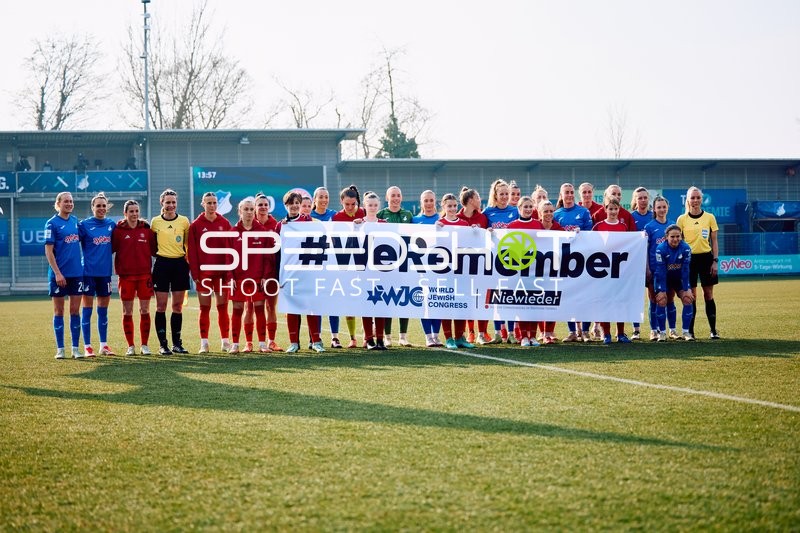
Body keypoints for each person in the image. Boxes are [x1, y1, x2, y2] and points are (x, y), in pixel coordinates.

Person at [277, 191, 324, 353]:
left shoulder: (309, 221)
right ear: (286, 206)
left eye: (297, 203)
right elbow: (277, 253)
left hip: (308, 272)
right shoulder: (280, 226)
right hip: (289, 274)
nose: (294, 206)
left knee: (311, 306)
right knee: (291, 308)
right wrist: (279, 275)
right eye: (291, 203)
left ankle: (316, 341)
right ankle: (294, 343)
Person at [188, 192, 233, 354]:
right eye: (209, 203)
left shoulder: (225, 223)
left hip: (222, 274)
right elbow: (192, 252)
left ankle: (225, 342)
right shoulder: (195, 225)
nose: (212, 205)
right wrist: (195, 274)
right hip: (204, 275)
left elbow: (231, 249)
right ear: (203, 204)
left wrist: (229, 273)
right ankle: (204, 343)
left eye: (214, 202)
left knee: (222, 308)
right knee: (204, 308)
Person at [229, 198, 273, 354]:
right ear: (240, 211)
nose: (248, 212)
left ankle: (262, 344)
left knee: (260, 309)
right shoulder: (233, 232)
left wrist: (265, 276)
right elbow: (228, 257)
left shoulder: (262, 231)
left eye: (251, 209)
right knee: (237, 310)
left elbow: (267, 257)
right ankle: (235, 344)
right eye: (245, 209)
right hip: (238, 279)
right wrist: (230, 277)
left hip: (257, 278)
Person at [112, 200, 156, 355]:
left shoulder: (146, 230)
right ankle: (130, 346)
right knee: (127, 311)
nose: (134, 214)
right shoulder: (118, 231)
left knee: (145, 310)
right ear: (125, 213)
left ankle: (144, 345)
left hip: (144, 276)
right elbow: (110, 249)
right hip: (126, 277)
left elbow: (155, 251)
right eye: (131, 211)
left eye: (137, 211)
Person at [150, 189, 191, 355]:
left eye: (173, 202)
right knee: (161, 306)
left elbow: (187, 244)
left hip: (179, 265)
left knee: (177, 306)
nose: (171, 205)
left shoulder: (184, 221)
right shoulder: (155, 222)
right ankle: (163, 345)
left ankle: (176, 344)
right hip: (162, 264)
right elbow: (152, 245)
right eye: (168, 202)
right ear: (162, 203)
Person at [676, 186, 720, 340]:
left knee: (708, 294)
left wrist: (715, 261)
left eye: (698, 197)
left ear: (702, 199)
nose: (695, 200)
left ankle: (713, 330)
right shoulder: (682, 219)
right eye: (692, 198)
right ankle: (690, 332)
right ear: (688, 200)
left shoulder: (710, 217)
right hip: (689, 261)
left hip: (706, 259)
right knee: (691, 296)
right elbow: (678, 242)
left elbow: (714, 241)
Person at [45, 192, 84, 359]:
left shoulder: (75, 221)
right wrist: (57, 273)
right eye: (66, 201)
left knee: (75, 311)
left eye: (71, 201)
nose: (69, 204)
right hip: (59, 276)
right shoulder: (51, 223)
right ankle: (60, 349)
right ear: (58, 204)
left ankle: (75, 349)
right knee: (59, 311)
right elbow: (48, 252)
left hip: (76, 274)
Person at [78, 192, 117, 357]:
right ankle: (87, 347)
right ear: (92, 207)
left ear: (107, 207)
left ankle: (103, 345)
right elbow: (71, 244)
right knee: (87, 310)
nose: (101, 208)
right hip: (88, 273)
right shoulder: (84, 225)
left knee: (103, 311)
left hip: (105, 274)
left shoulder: (111, 225)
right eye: (98, 205)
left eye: (103, 206)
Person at [553, 182, 593, 342]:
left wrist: (581, 233)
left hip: (583, 260)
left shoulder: (583, 212)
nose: (569, 195)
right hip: (564, 260)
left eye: (571, 192)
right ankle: (572, 332)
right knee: (567, 295)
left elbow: (591, 234)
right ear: (561, 195)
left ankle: (585, 331)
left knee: (585, 295)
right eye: (566, 192)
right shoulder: (556, 214)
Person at [436, 193, 475, 350]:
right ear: (443, 207)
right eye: (449, 206)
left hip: (462, 270)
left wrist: (475, 232)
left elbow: (471, 244)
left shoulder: (464, 224)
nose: (452, 209)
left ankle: (460, 337)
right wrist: (436, 230)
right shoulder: (440, 224)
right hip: (445, 271)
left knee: (461, 303)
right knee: (447, 302)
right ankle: (448, 338)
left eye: (454, 206)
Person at [377, 185, 414, 346]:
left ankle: (403, 336)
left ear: (401, 197)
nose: (396, 198)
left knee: (404, 297)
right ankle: (387, 336)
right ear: (387, 198)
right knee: (387, 298)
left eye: (398, 195)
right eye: (393, 195)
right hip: (386, 264)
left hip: (404, 262)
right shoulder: (381, 214)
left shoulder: (408, 215)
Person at [483, 178, 519, 343]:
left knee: (510, 296)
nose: (504, 197)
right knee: (495, 297)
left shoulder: (515, 211)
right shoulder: (488, 212)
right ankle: (498, 333)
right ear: (495, 195)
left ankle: (511, 333)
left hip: (512, 260)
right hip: (494, 261)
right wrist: (487, 231)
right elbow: (479, 232)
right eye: (501, 194)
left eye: (507, 194)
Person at [593, 198, 632, 344]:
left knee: (620, 300)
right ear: (605, 209)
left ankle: (620, 333)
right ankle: (607, 334)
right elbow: (588, 242)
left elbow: (630, 245)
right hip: (602, 270)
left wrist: (641, 238)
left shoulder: (623, 226)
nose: (613, 212)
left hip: (619, 270)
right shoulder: (598, 226)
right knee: (605, 301)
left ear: (619, 210)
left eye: (615, 209)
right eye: (610, 209)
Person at [457, 186, 492, 345]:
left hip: (481, 264)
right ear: (471, 200)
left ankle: (482, 333)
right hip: (462, 266)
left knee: (482, 298)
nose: (480, 200)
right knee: (467, 298)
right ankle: (470, 332)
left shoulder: (483, 218)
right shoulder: (457, 218)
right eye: (477, 197)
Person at [332, 185, 366, 348]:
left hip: (364, 263)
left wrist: (365, 223)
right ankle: (353, 338)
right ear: (341, 202)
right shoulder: (337, 218)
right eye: (347, 204)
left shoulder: (364, 213)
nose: (351, 207)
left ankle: (367, 336)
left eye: (353, 204)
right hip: (345, 264)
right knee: (349, 300)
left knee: (366, 299)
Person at [354, 192, 389, 350]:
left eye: (375, 205)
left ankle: (380, 339)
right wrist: (355, 227)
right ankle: (369, 339)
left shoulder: (384, 224)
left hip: (380, 271)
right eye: (370, 205)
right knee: (366, 304)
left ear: (379, 206)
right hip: (364, 271)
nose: (373, 208)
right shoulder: (359, 223)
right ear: (364, 206)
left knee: (380, 304)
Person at [507, 196, 543, 347]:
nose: (528, 210)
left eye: (530, 207)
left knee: (533, 303)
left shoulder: (538, 224)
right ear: (519, 208)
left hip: (535, 270)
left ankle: (533, 336)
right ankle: (523, 337)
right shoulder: (512, 226)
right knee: (521, 303)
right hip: (518, 271)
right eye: (525, 207)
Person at [309, 186, 341, 348]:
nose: (324, 200)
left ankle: (335, 337)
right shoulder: (308, 217)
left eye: (326, 197)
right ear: (314, 199)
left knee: (333, 300)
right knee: (317, 302)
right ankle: (316, 337)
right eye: (320, 197)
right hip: (315, 264)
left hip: (332, 263)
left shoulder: (334, 215)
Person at [654, 225, 695, 342]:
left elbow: (685, 269)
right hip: (663, 278)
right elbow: (661, 271)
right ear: (666, 237)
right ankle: (662, 333)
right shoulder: (660, 249)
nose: (675, 239)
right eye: (672, 237)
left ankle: (686, 332)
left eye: (678, 236)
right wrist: (662, 290)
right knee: (662, 300)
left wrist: (687, 288)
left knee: (688, 299)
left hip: (678, 279)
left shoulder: (686, 248)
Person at [251, 192, 281, 351]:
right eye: (260, 205)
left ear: (269, 207)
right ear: (255, 207)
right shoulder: (249, 224)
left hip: (271, 274)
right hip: (253, 274)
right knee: (251, 308)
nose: (263, 207)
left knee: (270, 307)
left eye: (265, 205)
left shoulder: (275, 225)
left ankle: (271, 341)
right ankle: (250, 342)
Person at [644, 196, 677, 341]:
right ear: (654, 209)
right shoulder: (649, 227)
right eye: (659, 207)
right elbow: (645, 250)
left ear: (667, 208)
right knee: (654, 299)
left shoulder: (673, 225)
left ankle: (672, 330)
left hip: (670, 269)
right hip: (654, 270)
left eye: (664, 207)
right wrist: (647, 268)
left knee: (669, 299)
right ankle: (654, 330)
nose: (662, 210)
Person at [413, 190, 443, 347]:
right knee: (424, 301)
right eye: (426, 200)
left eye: (431, 200)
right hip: (421, 268)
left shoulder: (442, 219)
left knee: (437, 300)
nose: (429, 203)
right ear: (421, 202)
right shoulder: (415, 220)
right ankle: (428, 336)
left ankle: (436, 335)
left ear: (435, 201)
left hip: (439, 267)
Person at [537, 200, 563, 344]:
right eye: (545, 211)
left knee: (552, 300)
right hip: (537, 270)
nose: (548, 214)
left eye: (551, 211)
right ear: (540, 213)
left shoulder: (559, 229)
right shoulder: (535, 227)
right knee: (539, 301)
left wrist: (576, 234)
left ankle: (549, 332)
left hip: (554, 270)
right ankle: (542, 332)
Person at [629, 186, 652, 340]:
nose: (643, 200)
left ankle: (654, 329)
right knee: (635, 297)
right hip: (634, 262)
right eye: (640, 198)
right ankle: (636, 330)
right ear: (635, 200)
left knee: (653, 297)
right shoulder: (631, 217)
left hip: (652, 262)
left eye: (645, 197)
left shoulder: (653, 216)